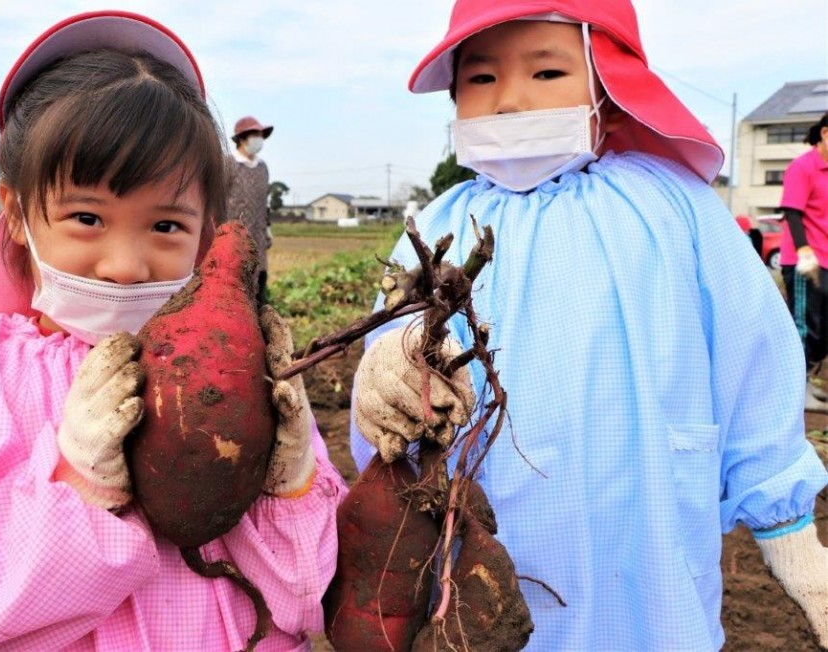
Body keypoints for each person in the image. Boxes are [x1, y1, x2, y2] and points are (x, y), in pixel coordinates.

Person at [349, 1, 828, 649]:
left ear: (605, 84)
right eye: (482, 79)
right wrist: (381, 386)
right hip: (478, 556)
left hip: (644, 552)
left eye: (547, 74)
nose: (510, 103)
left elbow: (751, 353)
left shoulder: (669, 207)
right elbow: (391, 405)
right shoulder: (433, 229)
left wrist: (786, 521)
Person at [0, 11, 345, 650]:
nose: (124, 265)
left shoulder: (250, 370)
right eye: (87, 217)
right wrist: (77, 485)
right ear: (16, 214)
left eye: (166, 226)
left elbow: (309, 598)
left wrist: (292, 483)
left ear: (207, 228)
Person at [780, 112, 828, 412]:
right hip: (805, 260)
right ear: (825, 133)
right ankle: (794, 390)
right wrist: (804, 252)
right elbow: (792, 212)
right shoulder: (803, 167)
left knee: (824, 330)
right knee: (804, 326)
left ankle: (807, 379)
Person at [224, 115, 275, 304]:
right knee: (235, 289)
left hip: (259, 237)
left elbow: (265, 202)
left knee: (259, 290)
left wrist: (268, 229)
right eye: (255, 134)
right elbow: (216, 201)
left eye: (261, 134)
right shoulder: (228, 165)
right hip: (234, 238)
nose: (259, 139)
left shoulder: (262, 167)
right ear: (243, 138)